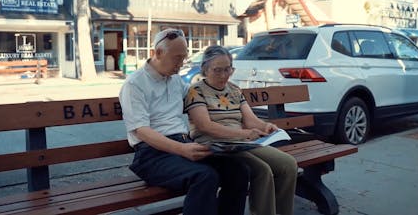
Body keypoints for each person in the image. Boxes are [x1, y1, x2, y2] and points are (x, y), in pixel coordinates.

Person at [119, 29, 249, 215]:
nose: (181, 64)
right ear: (157, 53)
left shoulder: (175, 80)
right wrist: (181, 149)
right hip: (151, 155)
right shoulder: (135, 84)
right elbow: (141, 131)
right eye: (177, 58)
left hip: (183, 146)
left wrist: (224, 87)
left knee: (237, 170)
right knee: (205, 177)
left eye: (184, 58)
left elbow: (200, 94)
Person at [184, 45, 299, 215]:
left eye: (228, 69)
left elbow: (250, 119)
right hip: (216, 145)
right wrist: (244, 134)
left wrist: (265, 126)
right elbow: (205, 126)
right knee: (262, 171)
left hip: (241, 143)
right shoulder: (196, 91)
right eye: (217, 70)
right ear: (205, 69)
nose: (223, 75)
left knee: (288, 164)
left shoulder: (234, 90)